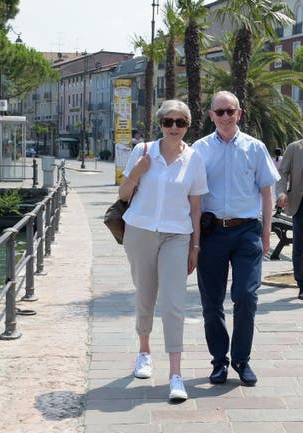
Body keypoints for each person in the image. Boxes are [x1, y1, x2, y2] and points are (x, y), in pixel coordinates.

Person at [119, 99, 208, 402]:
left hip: (177, 235)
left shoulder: (194, 158)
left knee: (174, 302)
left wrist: (195, 245)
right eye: (168, 122)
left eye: (180, 122)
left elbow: (196, 207)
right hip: (140, 230)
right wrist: (139, 171)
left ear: (187, 126)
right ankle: (144, 352)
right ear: (159, 124)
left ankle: (176, 375)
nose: (173, 127)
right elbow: (123, 194)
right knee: (145, 294)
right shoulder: (143, 151)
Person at [192, 91, 280, 387]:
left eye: (231, 111)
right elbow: (189, 195)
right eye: (220, 112)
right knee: (211, 302)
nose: (226, 117)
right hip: (212, 231)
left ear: (239, 113)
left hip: (246, 232)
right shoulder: (199, 149)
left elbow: (267, 192)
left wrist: (265, 231)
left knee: (246, 295)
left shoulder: (255, 148)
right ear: (211, 116)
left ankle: (242, 359)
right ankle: (219, 361)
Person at [275, 139, 303, 300]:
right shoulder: (294, 148)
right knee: (300, 247)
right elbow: (282, 173)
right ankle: (302, 284)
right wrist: (281, 192)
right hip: (300, 204)